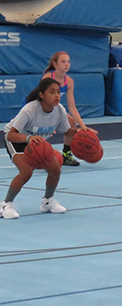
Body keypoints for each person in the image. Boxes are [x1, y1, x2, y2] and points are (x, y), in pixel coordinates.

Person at [1, 78, 77, 219]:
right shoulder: (30, 109)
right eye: (52, 92)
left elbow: (67, 132)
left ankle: (48, 201)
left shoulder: (59, 110)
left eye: (58, 92)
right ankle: (5, 204)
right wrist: (28, 138)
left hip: (37, 144)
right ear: (42, 95)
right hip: (17, 139)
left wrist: (83, 136)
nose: (57, 96)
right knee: (26, 171)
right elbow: (11, 134)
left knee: (55, 169)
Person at [42, 51, 97, 166]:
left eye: (68, 62)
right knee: (42, 129)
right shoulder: (48, 78)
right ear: (55, 64)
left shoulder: (69, 81)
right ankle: (37, 154)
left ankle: (66, 154)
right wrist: (51, 120)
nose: (66, 64)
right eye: (63, 61)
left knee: (72, 122)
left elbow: (72, 107)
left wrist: (83, 126)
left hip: (55, 106)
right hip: (40, 105)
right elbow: (41, 99)